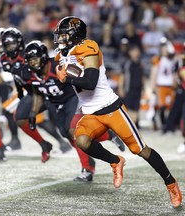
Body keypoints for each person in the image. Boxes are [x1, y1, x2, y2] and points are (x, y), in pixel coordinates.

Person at [54, 16, 182, 208]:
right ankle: (115, 161)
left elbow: (90, 81)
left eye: (64, 35)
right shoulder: (62, 55)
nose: (61, 39)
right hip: (90, 112)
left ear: (76, 35)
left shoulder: (88, 47)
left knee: (140, 150)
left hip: (110, 107)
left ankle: (171, 184)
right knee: (81, 140)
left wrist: (67, 78)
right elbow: (62, 77)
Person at [25, 40, 125, 181]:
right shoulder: (30, 74)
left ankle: (87, 169)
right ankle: (108, 136)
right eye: (30, 60)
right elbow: (37, 93)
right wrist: (33, 113)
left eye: (35, 59)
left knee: (74, 132)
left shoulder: (57, 65)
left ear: (43, 56)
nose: (33, 63)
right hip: (55, 104)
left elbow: (80, 76)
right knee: (67, 134)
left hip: (72, 99)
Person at [0, 27, 72, 157]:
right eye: (7, 45)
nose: (10, 47)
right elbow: (17, 77)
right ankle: (44, 143)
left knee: (54, 124)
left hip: (41, 89)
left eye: (12, 44)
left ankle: (64, 143)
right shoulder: (4, 59)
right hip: (28, 91)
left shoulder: (28, 56)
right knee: (22, 117)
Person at [0, 27, 21, 149]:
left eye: (0, 40)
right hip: (1, 81)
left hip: (13, 83)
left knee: (8, 111)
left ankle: (15, 139)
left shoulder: (13, 51)